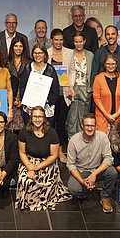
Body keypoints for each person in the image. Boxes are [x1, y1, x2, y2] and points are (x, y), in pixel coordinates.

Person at [15, 106, 71, 210]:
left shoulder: (52, 133)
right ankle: (27, 202)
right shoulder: (24, 132)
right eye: (35, 117)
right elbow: (22, 153)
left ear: (44, 118)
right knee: (25, 180)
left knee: (44, 182)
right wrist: (30, 167)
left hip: (47, 162)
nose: (37, 119)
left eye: (40, 117)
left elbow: (54, 156)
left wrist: (37, 167)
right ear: (31, 118)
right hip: (29, 161)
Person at [66, 113, 117, 213]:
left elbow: (108, 159)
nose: (90, 128)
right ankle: (84, 190)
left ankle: (105, 197)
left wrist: (94, 174)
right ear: (82, 126)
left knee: (112, 172)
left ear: (96, 126)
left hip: (96, 170)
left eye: (92, 126)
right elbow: (70, 164)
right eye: (87, 125)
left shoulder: (102, 137)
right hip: (80, 171)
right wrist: (82, 181)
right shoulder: (74, 140)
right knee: (73, 189)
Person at [47, 28, 74, 162]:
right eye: (56, 40)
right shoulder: (46, 53)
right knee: (50, 124)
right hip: (50, 95)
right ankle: (51, 151)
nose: (58, 42)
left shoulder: (69, 53)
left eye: (61, 40)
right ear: (51, 40)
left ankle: (60, 151)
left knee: (62, 124)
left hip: (63, 94)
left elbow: (73, 71)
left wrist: (71, 86)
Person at [18, 44, 60, 124]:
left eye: (40, 53)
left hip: (46, 110)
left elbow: (55, 92)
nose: (38, 55)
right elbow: (22, 87)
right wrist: (27, 102)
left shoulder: (50, 69)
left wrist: (45, 100)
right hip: (29, 110)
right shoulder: (27, 68)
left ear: (45, 54)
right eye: (35, 53)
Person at [66, 31, 94, 138]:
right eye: (76, 42)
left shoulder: (90, 55)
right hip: (72, 88)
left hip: (86, 89)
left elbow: (93, 72)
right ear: (73, 42)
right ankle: (71, 139)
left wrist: (90, 89)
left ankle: (84, 140)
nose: (78, 44)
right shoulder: (69, 54)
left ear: (84, 41)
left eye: (81, 41)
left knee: (84, 116)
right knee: (72, 117)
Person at [92, 53, 120, 133]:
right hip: (102, 117)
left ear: (116, 65)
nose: (110, 66)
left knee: (118, 142)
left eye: (113, 64)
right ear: (104, 64)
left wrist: (116, 114)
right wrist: (107, 115)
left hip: (119, 117)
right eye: (108, 64)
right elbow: (96, 98)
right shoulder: (98, 78)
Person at [7, 35, 31, 133]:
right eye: (16, 46)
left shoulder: (29, 63)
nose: (18, 49)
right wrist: (12, 101)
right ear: (12, 47)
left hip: (25, 100)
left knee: (25, 129)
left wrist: (23, 100)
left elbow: (31, 84)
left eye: (20, 46)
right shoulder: (6, 63)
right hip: (10, 99)